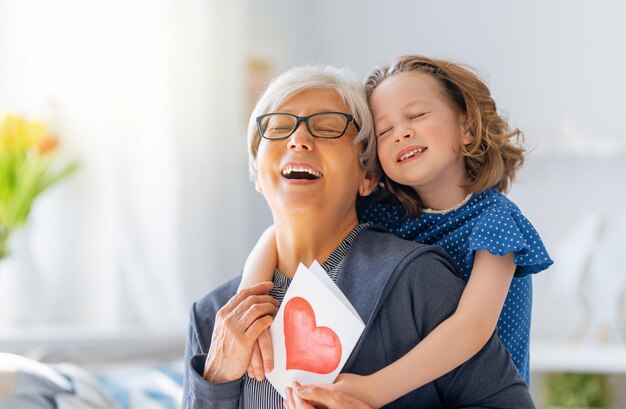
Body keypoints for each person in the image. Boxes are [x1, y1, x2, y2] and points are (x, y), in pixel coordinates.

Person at [183, 64, 535, 408]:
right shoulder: (211, 316)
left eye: (328, 127)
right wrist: (215, 375)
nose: (299, 139)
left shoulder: (418, 278)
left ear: (367, 177)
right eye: (277, 127)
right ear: (257, 173)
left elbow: (478, 338)